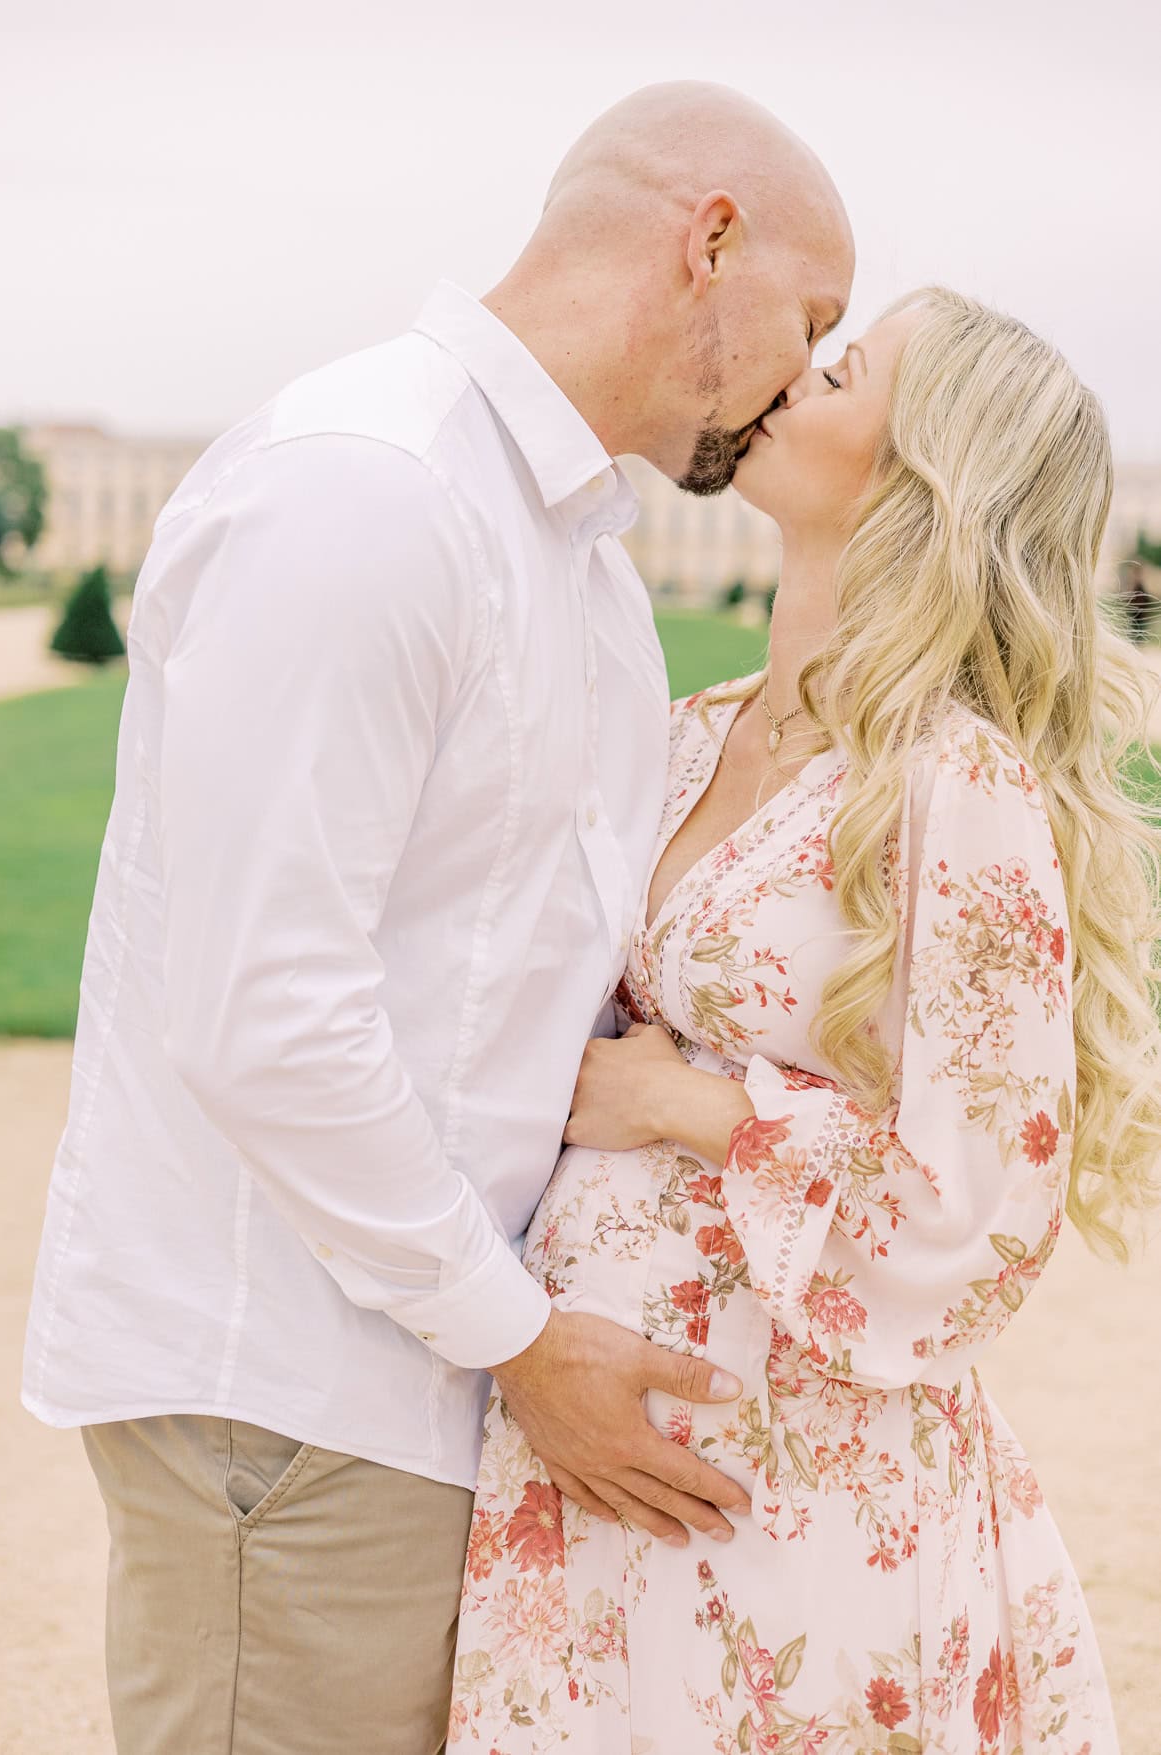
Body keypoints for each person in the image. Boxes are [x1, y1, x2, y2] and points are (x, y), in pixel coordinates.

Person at [19, 83, 853, 1755]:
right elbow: (266, 1014)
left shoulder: (582, 568)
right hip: (293, 1397)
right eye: (809, 321)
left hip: (409, 1375)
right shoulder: (369, 493)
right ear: (709, 244)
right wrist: (525, 1342)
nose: (800, 381)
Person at [447, 290, 1161, 1752]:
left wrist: (677, 1106)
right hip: (584, 1441)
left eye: (843, 373)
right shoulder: (690, 729)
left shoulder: (951, 788)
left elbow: (979, 1202)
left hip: (793, 1479)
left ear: (925, 471)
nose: (790, 378)